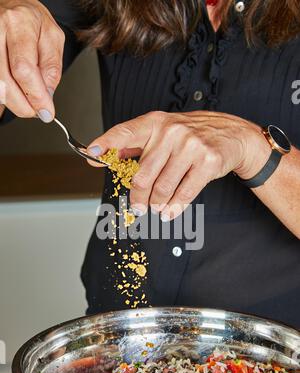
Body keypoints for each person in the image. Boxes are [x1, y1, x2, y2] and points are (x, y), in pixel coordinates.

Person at [1, 0, 300, 327]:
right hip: (117, 331)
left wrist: (252, 147)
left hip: (271, 349)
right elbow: (20, 45)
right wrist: (11, 21)